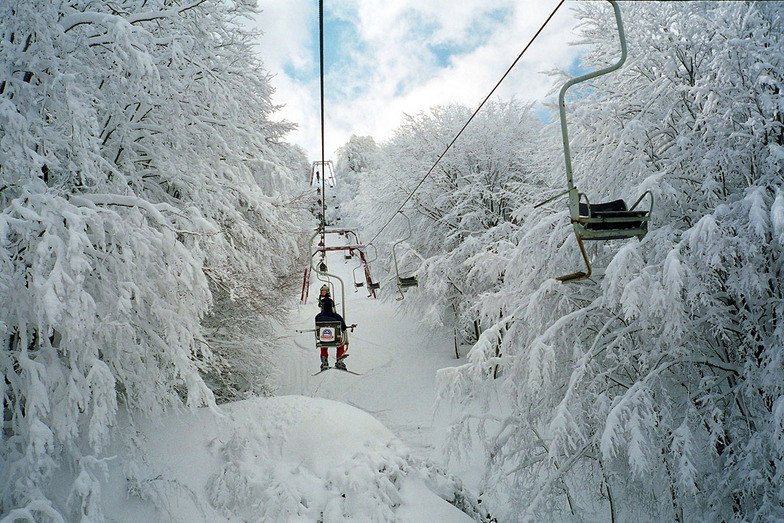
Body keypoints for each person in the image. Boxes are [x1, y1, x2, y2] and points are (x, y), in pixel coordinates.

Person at [315, 297, 348, 371]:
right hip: (335, 338)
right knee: (340, 343)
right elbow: (343, 328)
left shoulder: (318, 316)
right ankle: (339, 359)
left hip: (324, 338)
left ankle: (324, 361)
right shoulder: (337, 316)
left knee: (323, 341)